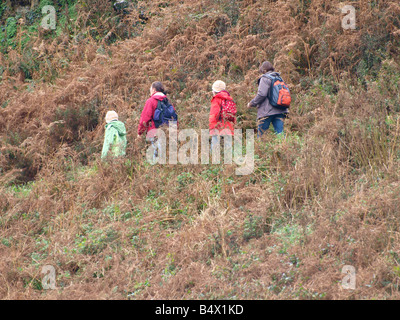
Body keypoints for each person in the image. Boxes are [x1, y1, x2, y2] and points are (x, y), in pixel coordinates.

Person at [247, 61, 288, 137]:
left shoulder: (265, 78)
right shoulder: (279, 78)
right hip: (280, 109)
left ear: (264, 70)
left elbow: (262, 94)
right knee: (280, 134)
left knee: (261, 135)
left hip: (266, 111)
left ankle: (260, 148)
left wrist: (252, 103)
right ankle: (284, 148)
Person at [138, 81, 177, 161]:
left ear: (154, 89)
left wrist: (140, 132)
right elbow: (174, 117)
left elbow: (144, 118)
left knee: (154, 159)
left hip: (154, 133)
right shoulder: (168, 101)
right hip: (167, 132)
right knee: (164, 158)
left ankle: (155, 172)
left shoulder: (151, 101)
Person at [209, 80, 236, 159]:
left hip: (218, 125)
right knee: (228, 146)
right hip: (228, 125)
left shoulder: (216, 99)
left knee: (215, 145)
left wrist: (212, 126)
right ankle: (229, 163)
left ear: (214, 91)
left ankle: (214, 162)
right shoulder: (229, 98)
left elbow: (214, 114)